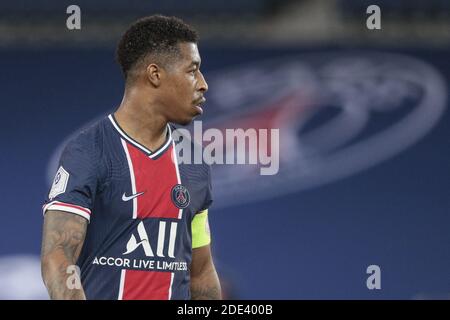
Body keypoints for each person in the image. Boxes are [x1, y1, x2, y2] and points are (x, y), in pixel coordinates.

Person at [40, 15, 221, 300]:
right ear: (155, 74)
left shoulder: (193, 160)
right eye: (192, 70)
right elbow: (58, 258)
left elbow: (201, 273)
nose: (203, 84)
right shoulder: (89, 151)